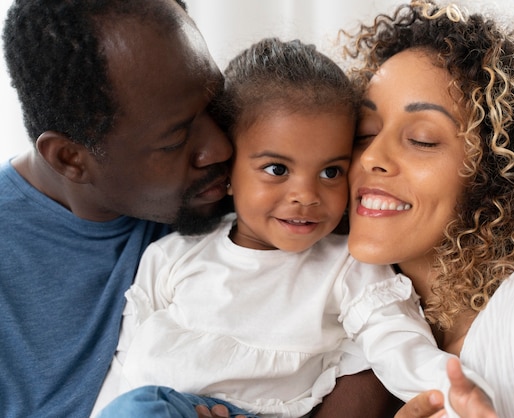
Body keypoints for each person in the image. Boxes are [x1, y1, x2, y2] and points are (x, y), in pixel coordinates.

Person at [0, 1, 402, 417]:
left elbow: (369, 323)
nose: (221, 148)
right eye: (176, 139)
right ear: (70, 158)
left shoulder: (264, 190)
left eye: (214, 104)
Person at [95, 37, 494, 418]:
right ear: (228, 171)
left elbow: (396, 340)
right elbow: (122, 368)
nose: (305, 194)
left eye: (331, 171)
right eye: (276, 169)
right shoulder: (173, 256)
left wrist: (452, 388)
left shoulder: (346, 267)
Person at [342, 1, 514, 417]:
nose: (371, 157)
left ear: (500, 174)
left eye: (422, 139)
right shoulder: (356, 337)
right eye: (364, 133)